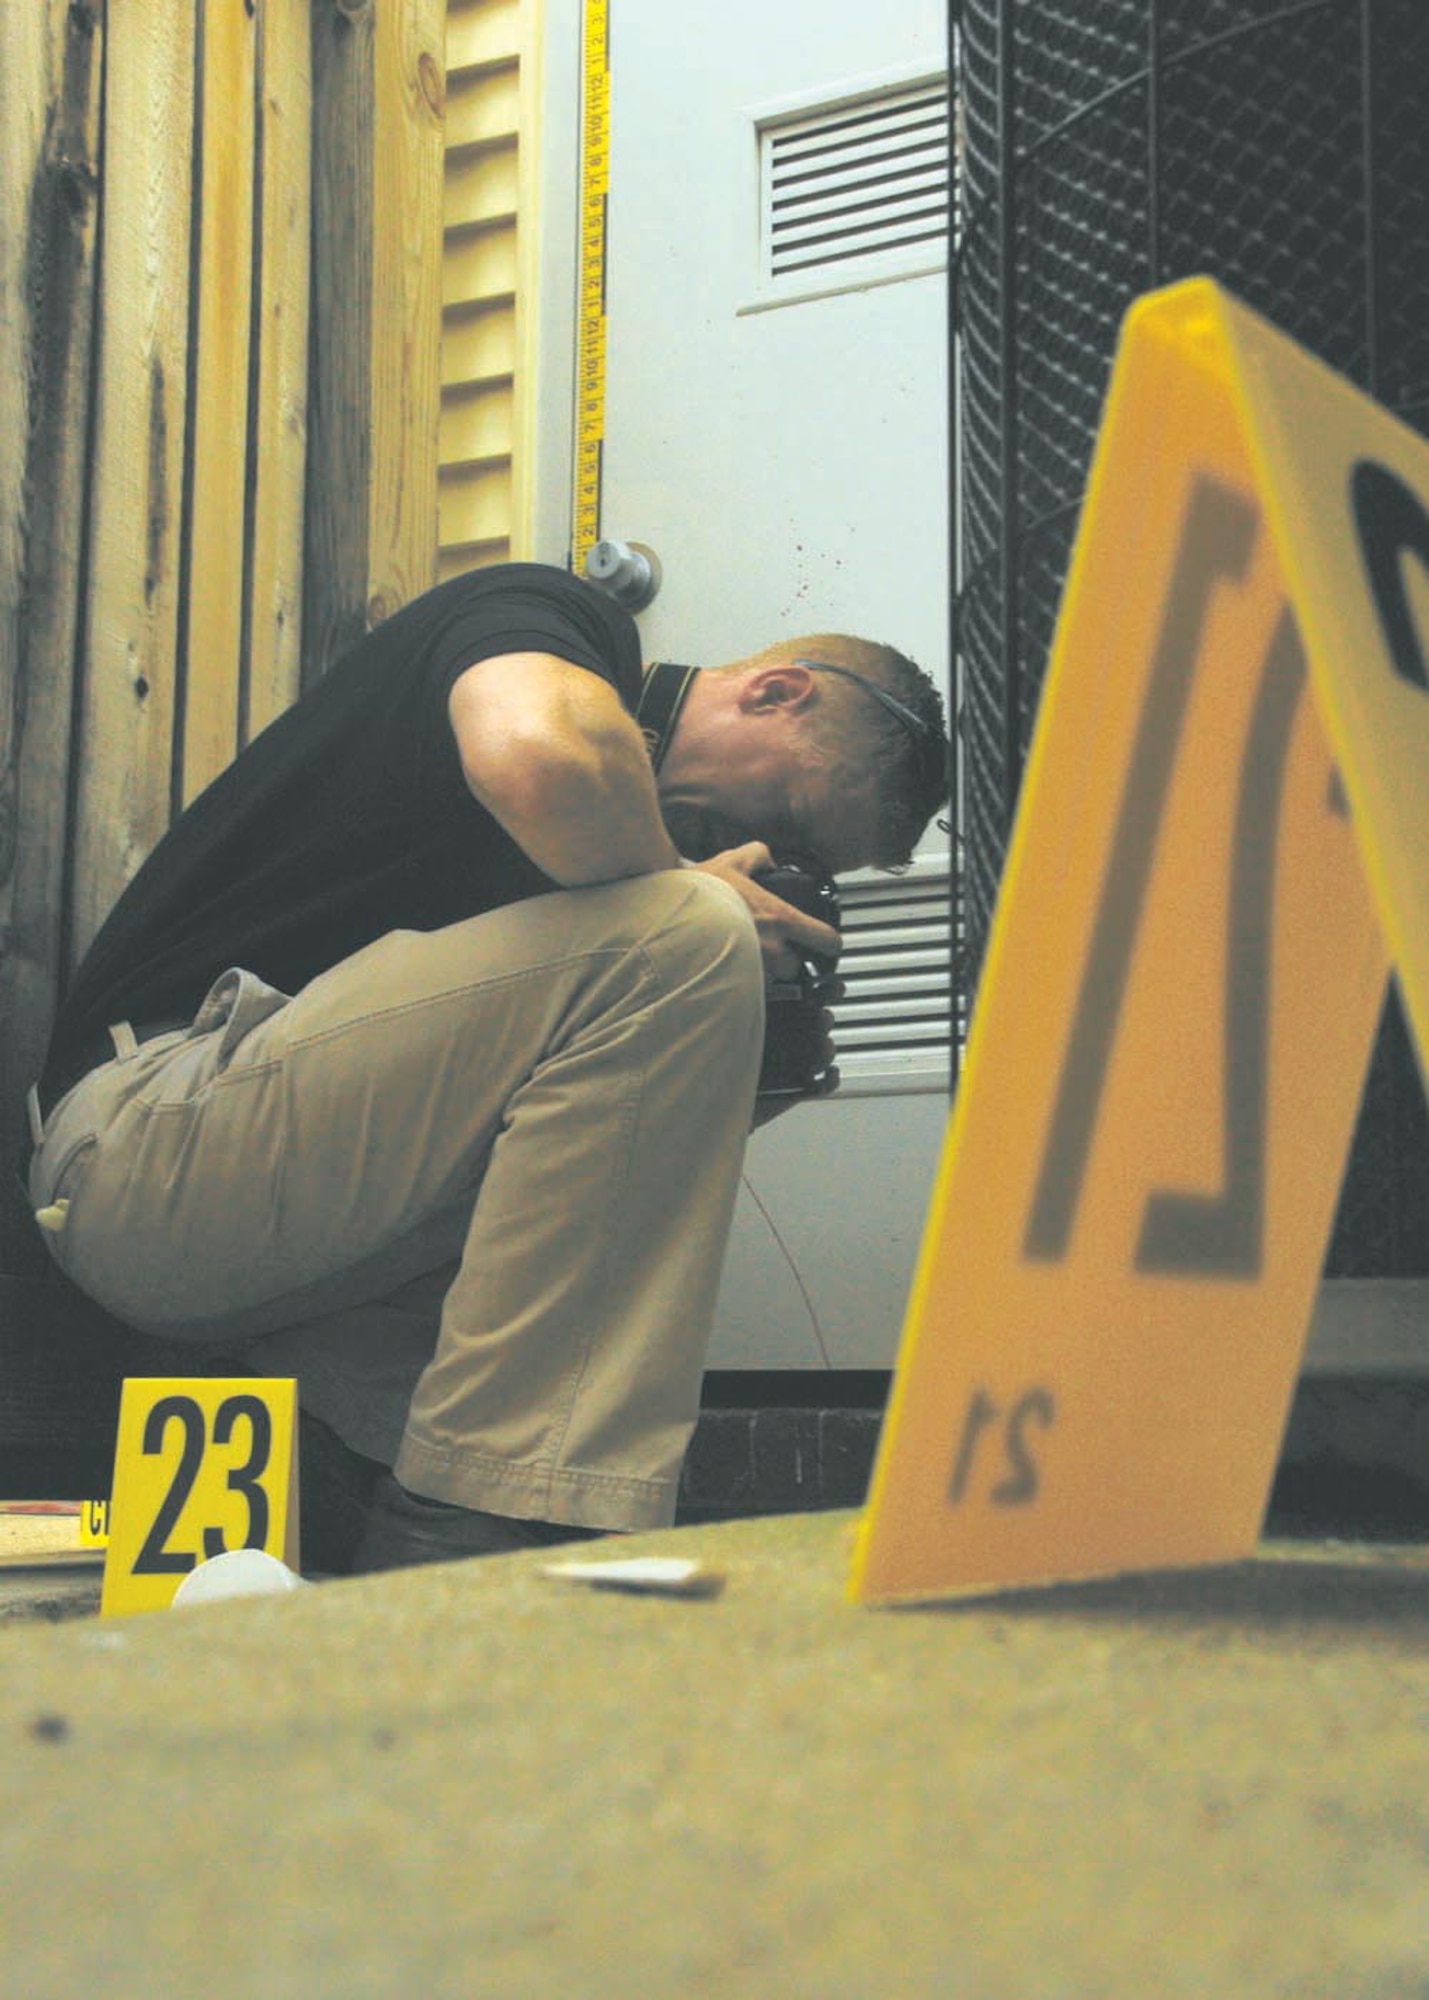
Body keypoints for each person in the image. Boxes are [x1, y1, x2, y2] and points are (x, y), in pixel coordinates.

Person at [24, 562, 948, 1572]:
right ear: (775, 693)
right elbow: (535, 761)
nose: (767, 850)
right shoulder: (554, 621)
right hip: (145, 1140)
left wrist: (743, 1073)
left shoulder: (607, 914)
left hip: (292, 1264)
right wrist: (702, 912)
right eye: (790, 812)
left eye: (798, 853)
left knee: (678, 959)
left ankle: (448, 1542)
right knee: (686, 935)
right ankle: (488, 1528)